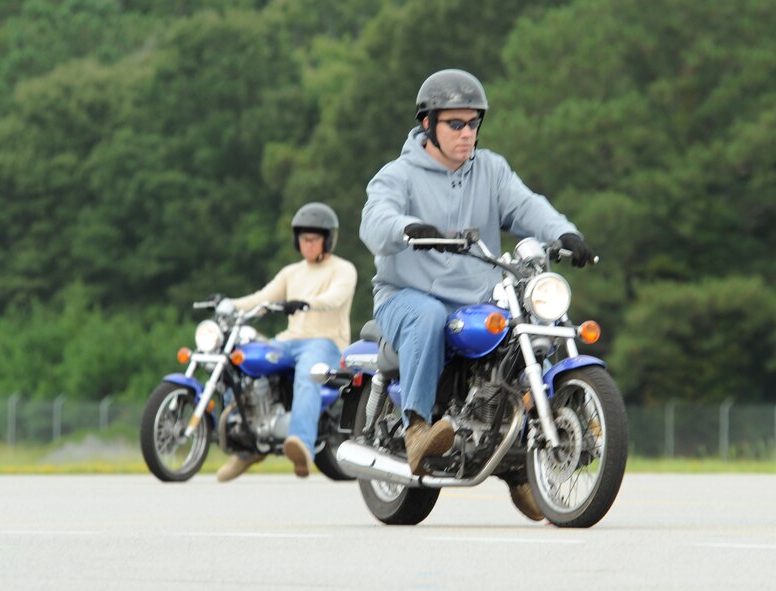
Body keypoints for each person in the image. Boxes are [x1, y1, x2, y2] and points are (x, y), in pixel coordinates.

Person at [359, 69, 595, 520]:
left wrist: (564, 232)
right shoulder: (398, 175)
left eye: (473, 123)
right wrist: (406, 228)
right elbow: (374, 220)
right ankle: (416, 429)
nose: (467, 133)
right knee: (427, 315)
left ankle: (520, 459)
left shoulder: (490, 170)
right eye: (455, 124)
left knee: (527, 326)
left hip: (475, 297)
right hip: (405, 296)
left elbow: (526, 205)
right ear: (428, 124)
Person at [216, 202, 357, 481]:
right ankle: (248, 448)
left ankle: (301, 445)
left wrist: (305, 303)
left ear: (327, 239)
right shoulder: (291, 272)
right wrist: (228, 304)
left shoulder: (343, 270)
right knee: (241, 362)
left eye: (314, 238)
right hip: (288, 341)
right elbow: (262, 298)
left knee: (307, 375)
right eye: (303, 238)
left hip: (325, 342)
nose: (308, 243)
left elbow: (335, 299)